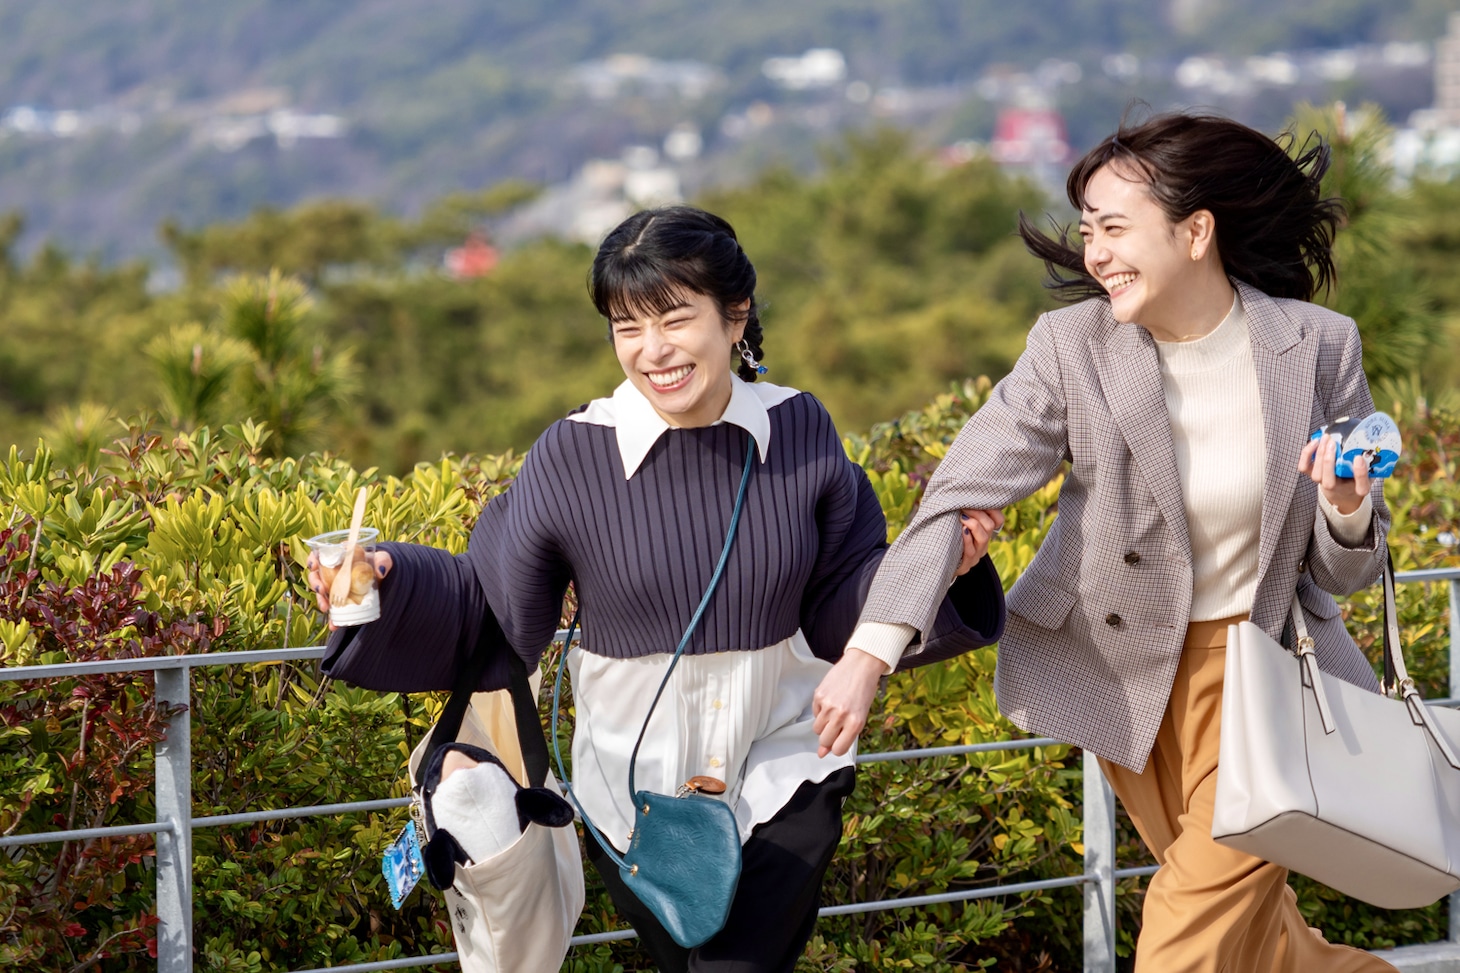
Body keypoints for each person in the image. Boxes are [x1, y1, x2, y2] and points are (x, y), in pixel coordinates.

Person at [309, 205, 1006, 972]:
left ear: (735, 315)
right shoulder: (575, 453)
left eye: (674, 319)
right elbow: (496, 604)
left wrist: (945, 565)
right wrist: (389, 579)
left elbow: (842, 593)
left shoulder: (800, 428)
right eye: (626, 326)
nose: (652, 351)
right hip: (631, 785)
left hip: (783, 762)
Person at [824, 111, 1400, 972]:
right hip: (1122, 670)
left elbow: (1343, 568)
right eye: (1087, 229)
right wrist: (869, 653)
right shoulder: (1073, 346)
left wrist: (1349, 503)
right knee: (1248, 926)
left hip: (1266, 673)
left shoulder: (1317, 345)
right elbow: (960, 494)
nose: (1094, 252)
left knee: (1195, 910)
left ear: (1195, 231)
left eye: (1115, 227)